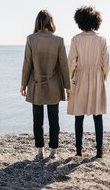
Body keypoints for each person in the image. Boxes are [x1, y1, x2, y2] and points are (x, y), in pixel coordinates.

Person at [21, 10, 71, 160]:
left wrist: (23, 84)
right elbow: (64, 66)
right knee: (54, 120)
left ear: (37, 22)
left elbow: (27, 64)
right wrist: (68, 87)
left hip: (36, 85)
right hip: (54, 86)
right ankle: (53, 152)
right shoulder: (59, 40)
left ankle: (40, 151)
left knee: (38, 120)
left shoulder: (31, 39)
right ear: (51, 22)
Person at [67, 6, 110, 158]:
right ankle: (99, 149)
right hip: (97, 76)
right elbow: (106, 64)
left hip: (80, 76)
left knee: (79, 114)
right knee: (97, 114)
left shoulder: (76, 39)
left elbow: (71, 62)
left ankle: (79, 149)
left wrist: (71, 78)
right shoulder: (101, 39)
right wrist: (103, 77)